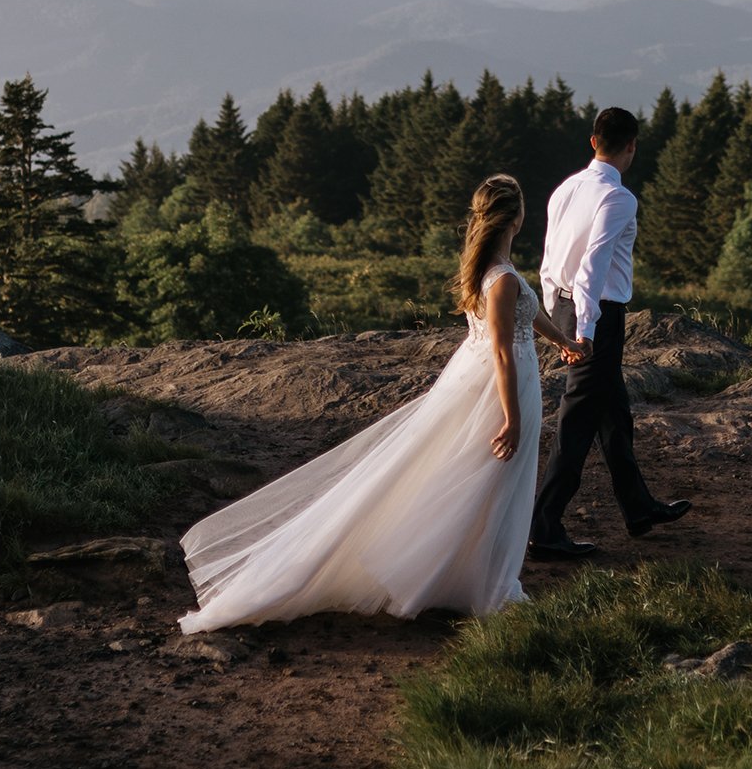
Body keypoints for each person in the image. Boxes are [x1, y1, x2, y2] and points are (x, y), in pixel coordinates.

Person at [176, 173, 586, 632]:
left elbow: (525, 320)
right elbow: (503, 349)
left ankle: (473, 575)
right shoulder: (503, 278)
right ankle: (485, 585)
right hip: (501, 388)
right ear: (516, 216)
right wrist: (511, 417)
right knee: (498, 481)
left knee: (480, 479)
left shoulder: (494, 268)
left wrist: (561, 341)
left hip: (486, 382)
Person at [529, 106, 691, 560]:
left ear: (593, 141)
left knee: (613, 410)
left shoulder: (566, 189)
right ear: (632, 146)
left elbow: (549, 257)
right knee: (578, 418)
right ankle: (545, 527)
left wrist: (556, 314)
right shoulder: (619, 199)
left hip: (562, 304)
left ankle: (639, 508)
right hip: (596, 315)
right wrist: (584, 331)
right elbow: (593, 265)